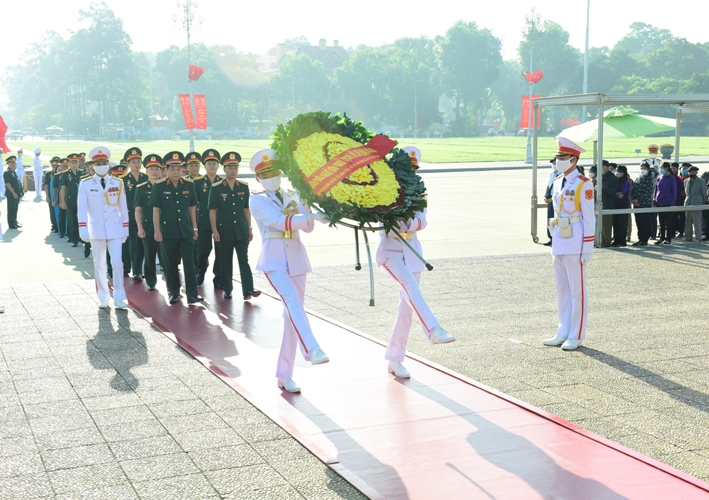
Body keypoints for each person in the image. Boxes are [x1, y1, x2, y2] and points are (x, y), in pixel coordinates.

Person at [248, 149, 330, 393]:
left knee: (292, 316)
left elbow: (307, 228)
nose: (271, 177)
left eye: (274, 172)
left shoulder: (293, 194)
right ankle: (312, 348)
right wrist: (310, 215)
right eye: (265, 174)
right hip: (273, 260)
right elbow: (278, 222)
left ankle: (284, 374)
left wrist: (313, 205)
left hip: (296, 259)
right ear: (258, 178)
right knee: (292, 301)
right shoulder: (256, 199)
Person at [377, 146, 455, 379]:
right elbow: (385, 226)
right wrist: (404, 220)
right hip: (390, 253)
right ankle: (433, 329)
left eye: (414, 169)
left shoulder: (418, 192)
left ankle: (394, 358)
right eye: (406, 168)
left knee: (406, 310)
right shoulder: (384, 190)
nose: (410, 173)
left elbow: (422, 221)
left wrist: (406, 220)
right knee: (410, 287)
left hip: (413, 253)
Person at [543, 137, 595, 351]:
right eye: (557, 158)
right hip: (559, 238)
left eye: (562, 158)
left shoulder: (584, 183)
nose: (558, 161)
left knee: (577, 291)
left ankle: (576, 334)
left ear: (573, 160)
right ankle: (563, 330)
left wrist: (587, 247)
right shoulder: (557, 181)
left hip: (575, 240)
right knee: (561, 290)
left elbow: (589, 217)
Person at [77, 147, 129, 310]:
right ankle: (103, 296)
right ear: (93, 165)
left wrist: (125, 228)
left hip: (114, 228)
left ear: (108, 164)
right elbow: (81, 208)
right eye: (98, 163)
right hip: (96, 228)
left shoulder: (117, 183)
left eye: (104, 163)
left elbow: (123, 207)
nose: (101, 166)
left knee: (117, 262)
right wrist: (83, 229)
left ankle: (119, 296)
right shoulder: (85, 184)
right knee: (99, 264)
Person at [150, 151, 203, 305]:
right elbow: (156, 210)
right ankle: (173, 292)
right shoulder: (159, 186)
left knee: (189, 263)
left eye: (178, 169)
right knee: (170, 263)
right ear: (166, 171)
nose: (176, 172)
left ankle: (192, 294)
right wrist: (157, 230)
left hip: (185, 230)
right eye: (172, 169)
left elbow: (192, 207)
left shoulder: (189, 184)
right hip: (167, 232)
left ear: (182, 170)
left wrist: (195, 228)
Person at [209, 151, 259, 300]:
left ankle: (248, 290)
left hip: (241, 230)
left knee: (244, 260)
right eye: (230, 167)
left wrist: (249, 228)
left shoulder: (243, 186)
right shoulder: (217, 187)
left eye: (235, 167)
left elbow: (246, 209)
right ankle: (227, 288)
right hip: (224, 231)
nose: (233, 170)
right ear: (224, 169)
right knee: (226, 261)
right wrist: (214, 230)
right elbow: (213, 211)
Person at [194, 149, 224, 288]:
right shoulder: (198, 182)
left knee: (220, 250)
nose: (211, 166)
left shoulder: (223, 182)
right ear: (204, 166)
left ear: (218, 166)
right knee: (204, 249)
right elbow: (193, 204)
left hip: (221, 222)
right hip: (204, 221)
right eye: (209, 163)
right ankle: (200, 271)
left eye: (214, 163)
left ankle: (218, 277)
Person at [134, 154, 164, 291]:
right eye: (151, 169)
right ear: (146, 171)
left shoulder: (166, 186)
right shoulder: (141, 188)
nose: (154, 171)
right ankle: (151, 280)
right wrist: (140, 227)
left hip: (165, 226)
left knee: (168, 256)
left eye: (157, 169)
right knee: (149, 254)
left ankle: (170, 280)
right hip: (148, 226)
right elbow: (138, 209)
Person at [122, 148, 148, 282]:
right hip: (130, 216)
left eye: (138, 161)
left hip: (146, 217)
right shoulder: (122, 180)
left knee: (143, 245)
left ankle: (140, 269)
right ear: (128, 164)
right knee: (134, 244)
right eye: (133, 162)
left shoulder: (147, 178)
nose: (136, 164)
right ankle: (136, 271)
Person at [184, 151, 204, 275]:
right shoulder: (184, 182)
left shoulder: (205, 181)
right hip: (189, 219)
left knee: (203, 247)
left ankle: (202, 267)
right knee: (193, 246)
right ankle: (195, 270)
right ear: (187, 167)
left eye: (196, 165)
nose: (194, 168)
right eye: (191, 165)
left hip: (204, 218)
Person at [59, 153, 82, 246]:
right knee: (72, 220)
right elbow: (63, 188)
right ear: (69, 163)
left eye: (76, 162)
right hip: (70, 200)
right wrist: (63, 202)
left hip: (81, 201)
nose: (74, 164)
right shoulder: (65, 174)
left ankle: (80, 236)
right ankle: (74, 238)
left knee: (80, 219)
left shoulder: (82, 172)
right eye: (72, 162)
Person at [653, 162, 677, 245]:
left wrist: (672, 203)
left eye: (662, 167)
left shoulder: (671, 178)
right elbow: (656, 190)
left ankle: (668, 238)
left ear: (667, 168)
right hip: (659, 203)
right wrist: (654, 200)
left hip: (668, 203)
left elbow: (674, 192)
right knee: (661, 222)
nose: (661, 169)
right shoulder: (659, 178)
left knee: (668, 222)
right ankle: (662, 238)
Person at [631, 162, 654, 246]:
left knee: (644, 222)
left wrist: (639, 200)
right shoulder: (638, 179)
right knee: (638, 222)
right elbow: (633, 190)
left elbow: (647, 193)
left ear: (648, 170)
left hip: (644, 204)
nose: (642, 170)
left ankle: (644, 239)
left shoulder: (649, 180)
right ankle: (640, 239)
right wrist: (633, 200)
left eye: (644, 168)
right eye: (641, 168)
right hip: (636, 205)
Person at [684, 165, 707, 242]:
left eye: (693, 172)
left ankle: (698, 237)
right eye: (690, 172)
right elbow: (687, 193)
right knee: (688, 221)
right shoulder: (686, 181)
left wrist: (703, 202)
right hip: (688, 203)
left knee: (697, 221)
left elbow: (704, 193)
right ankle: (688, 237)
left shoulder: (701, 181)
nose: (691, 173)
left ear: (696, 172)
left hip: (697, 203)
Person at [599, 160, 619, 247]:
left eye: (602, 166)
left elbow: (612, 191)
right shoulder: (599, 177)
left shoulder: (612, 178)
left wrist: (601, 188)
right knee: (599, 224)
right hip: (599, 203)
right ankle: (601, 240)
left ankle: (607, 241)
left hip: (607, 203)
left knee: (606, 224)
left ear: (607, 167)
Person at [612, 166, 630, 247]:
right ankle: (616, 240)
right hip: (615, 205)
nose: (617, 173)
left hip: (623, 205)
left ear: (623, 173)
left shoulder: (625, 182)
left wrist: (613, 193)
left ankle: (622, 241)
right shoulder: (615, 181)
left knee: (622, 224)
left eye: (618, 171)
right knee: (615, 224)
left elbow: (620, 195)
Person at [543, 157, 560, 246]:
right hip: (550, 199)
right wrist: (546, 195)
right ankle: (551, 237)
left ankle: (556, 239)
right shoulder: (552, 174)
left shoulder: (562, 175)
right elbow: (549, 185)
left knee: (556, 220)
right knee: (550, 220)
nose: (553, 165)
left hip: (556, 200)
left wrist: (552, 199)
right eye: (552, 164)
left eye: (555, 163)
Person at [3, 155, 23, 229]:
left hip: (16, 193)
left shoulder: (13, 172)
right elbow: (8, 184)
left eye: (15, 163)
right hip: (11, 193)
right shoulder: (7, 173)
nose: (14, 165)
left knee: (15, 208)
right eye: (12, 163)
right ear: (8, 164)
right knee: (11, 208)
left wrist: (20, 192)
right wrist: (13, 193)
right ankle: (11, 223)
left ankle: (15, 221)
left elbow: (17, 183)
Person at [44, 157, 59, 232]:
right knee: (52, 212)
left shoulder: (61, 173)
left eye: (56, 166)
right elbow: (46, 186)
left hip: (59, 196)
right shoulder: (48, 174)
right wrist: (47, 196)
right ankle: (54, 225)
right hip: (51, 196)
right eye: (53, 166)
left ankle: (59, 225)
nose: (54, 168)